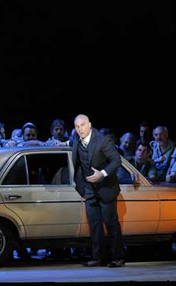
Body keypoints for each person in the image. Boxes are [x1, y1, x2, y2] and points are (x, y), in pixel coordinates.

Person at [71, 114, 125, 268]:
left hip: (106, 187)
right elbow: (71, 147)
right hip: (88, 189)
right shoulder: (76, 138)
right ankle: (98, 257)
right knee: (94, 225)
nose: (80, 129)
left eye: (82, 125)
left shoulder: (102, 140)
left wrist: (102, 174)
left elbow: (116, 160)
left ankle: (118, 257)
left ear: (90, 125)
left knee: (111, 223)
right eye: (77, 126)